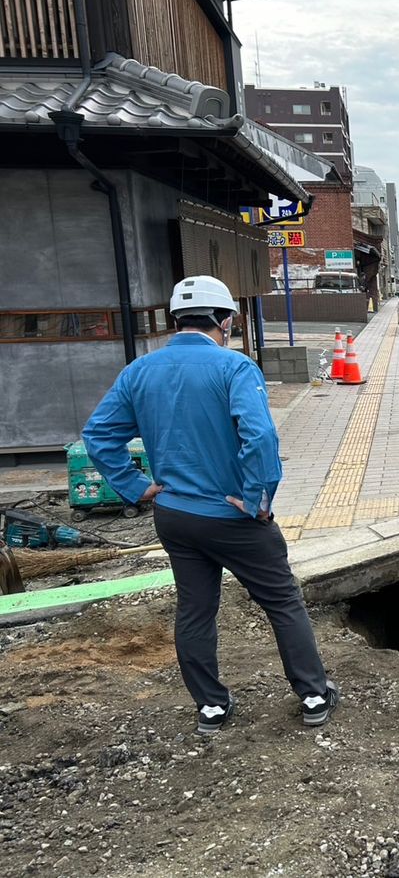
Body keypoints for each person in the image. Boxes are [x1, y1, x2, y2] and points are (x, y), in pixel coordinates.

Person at [82, 276, 338, 736]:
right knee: (282, 602)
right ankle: (313, 694)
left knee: (195, 609)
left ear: (174, 321)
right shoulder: (234, 368)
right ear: (225, 320)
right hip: (232, 514)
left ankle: (211, 708)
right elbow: (258, 437)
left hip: (175, 516)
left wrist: (135, 486)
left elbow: (99, 434)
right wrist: (259, 499)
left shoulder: (139, 371)